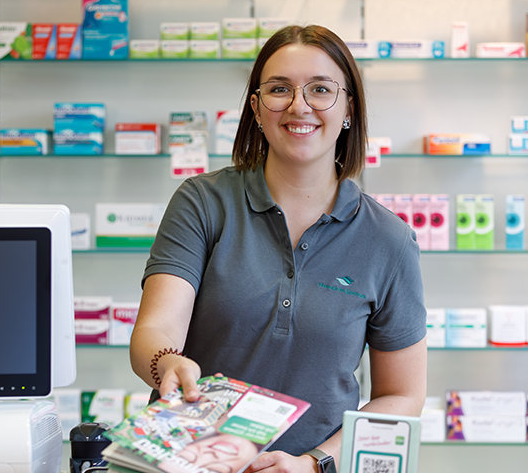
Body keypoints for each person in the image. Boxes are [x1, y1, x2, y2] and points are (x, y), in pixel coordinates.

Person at [130, 24, 427, 473]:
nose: (299, 105)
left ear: (348, 107)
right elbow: (154, 331)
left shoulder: (388, 240)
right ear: (256, 107)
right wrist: (165, 363)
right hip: (188, 460)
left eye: (321, 89)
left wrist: (315, 463)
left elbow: (402, 395)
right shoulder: (203, 203)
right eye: (279, 89)